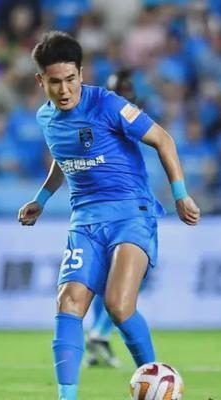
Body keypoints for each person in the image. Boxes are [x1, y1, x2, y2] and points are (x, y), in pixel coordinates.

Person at [18, 31, 200, 400]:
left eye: (71, 79)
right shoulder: (46, 118)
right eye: (55, 82)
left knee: (118, 305)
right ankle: (66, 397)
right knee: (68, 301)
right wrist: (41, 198)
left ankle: (157, 384)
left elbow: (163, 139)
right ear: (40, 81)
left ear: (81, 74)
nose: (64, 90)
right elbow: (65, 158)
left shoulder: (109, 104)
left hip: (131, 213)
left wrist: (180, 195)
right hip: (84, 220)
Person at [84, 69, 137, 369]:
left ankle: (97, 340)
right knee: (131, 276)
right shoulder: (111, 117)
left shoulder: (118, 116)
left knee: (105, 281)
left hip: (110, 207)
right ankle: (99, 334)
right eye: (120, 90)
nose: (124, 95)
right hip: (116, 209)